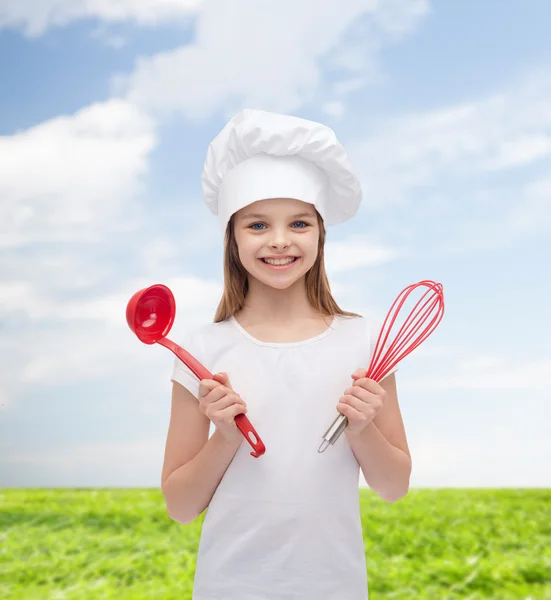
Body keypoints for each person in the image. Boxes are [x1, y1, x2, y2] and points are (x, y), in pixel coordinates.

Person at [161, 109, 412, 599]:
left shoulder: (367, 344)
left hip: (334, 586)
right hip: (229, 586)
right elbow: (181, 506)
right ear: (232, 238)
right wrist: (225, 437)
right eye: (257, 225)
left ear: (320, 233)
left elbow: (394, 486)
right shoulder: (200, 351)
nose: (279, 240)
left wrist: (361, 429)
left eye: (298, 222)